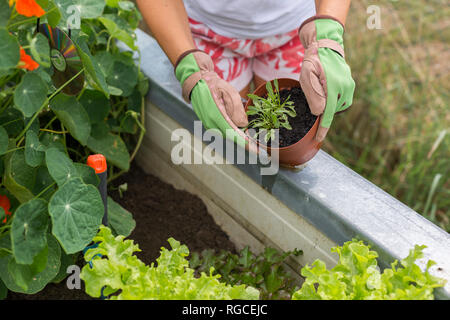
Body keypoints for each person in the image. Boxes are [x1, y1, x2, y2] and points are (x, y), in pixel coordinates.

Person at [137, 0, 355, 145]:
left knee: (292, 143)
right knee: (224, 141)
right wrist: (187, 64)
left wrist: (328, 30)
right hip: (205, 29)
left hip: (296, 29)